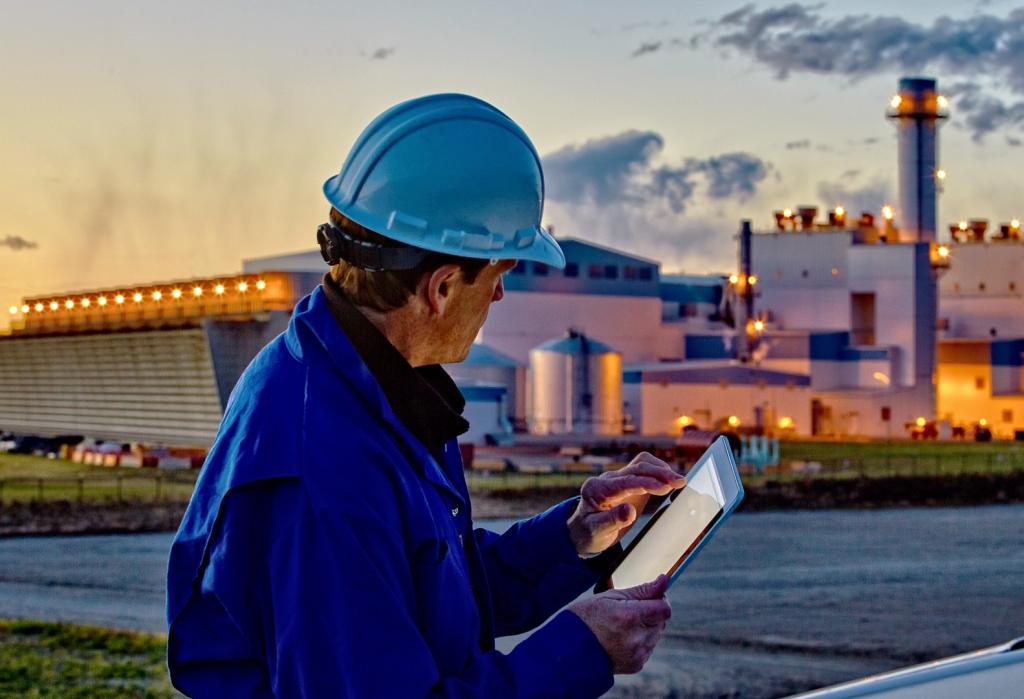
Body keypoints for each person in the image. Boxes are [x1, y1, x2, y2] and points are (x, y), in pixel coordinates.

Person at [165, 94, 686, 697]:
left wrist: (572, 535)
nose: (497, 300)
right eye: (497, 278)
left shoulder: (360, 384)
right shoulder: (324, 469)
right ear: (441, 287)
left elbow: (425, 588)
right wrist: (582, 649)